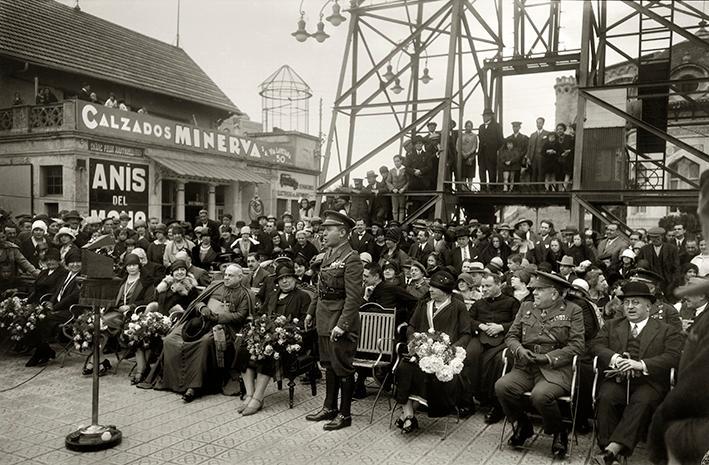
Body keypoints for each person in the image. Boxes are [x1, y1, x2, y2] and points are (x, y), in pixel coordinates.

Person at [495, 271, 585, 458]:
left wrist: (549, 358)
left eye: (539, 290)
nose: (533, 293)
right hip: (526, 365)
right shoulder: (526, 306)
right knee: (503, 386)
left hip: (555, 368)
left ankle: (559, 432)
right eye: (533, 289)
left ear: (554, 293)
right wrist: (520, 350)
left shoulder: (573, 310)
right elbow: (511, 336)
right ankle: (523, 425)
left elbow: (577, 346)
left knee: (540, 395)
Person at [590, 282, 682, 465]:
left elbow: (673, 357)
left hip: (650, 382)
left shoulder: (666, 330)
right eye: (626, 303)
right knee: (606, 396)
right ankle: (610, 454)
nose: (630, 307)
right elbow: (595, 346)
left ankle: (610, 451)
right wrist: (615, 358)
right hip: (617, 378)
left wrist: (641, 364)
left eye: (636, 302)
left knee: (643, 401)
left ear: (649, 306)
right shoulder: (611, 325)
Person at [140, 264, 253, 402]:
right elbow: (198, 302)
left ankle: (194, 387)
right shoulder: (216, 285)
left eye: (231, 275)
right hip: (200, 321)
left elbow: (241, 316)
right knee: (170, 339)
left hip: (223, 327)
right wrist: (203, 308)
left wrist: (217, 318)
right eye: (226, 275)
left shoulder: (245, 294)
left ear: (240, 277)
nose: (226, 278)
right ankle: (170, 381)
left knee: (204, 343)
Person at [304, 211, 363, 431]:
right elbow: (320, 290)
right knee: (328, 364)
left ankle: (345, 414)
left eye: (328, 230)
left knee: (343, 367)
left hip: (339, 320)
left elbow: (354, 297)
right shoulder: (327, 256)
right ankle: (329, 407)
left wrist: (343, 324)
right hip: (323, 316)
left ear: (343, 232)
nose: (323, 234)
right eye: (323, 230)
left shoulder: (352, 259)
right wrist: (311, 312)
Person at [394, 270, 472, 432]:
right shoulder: (424, 304)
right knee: (404, 367)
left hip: (443, 355)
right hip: (420, 351)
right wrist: (414, 341)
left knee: (426, 373)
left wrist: (450, 350)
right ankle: (409, 415)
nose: (430, 290)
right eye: (430, 287)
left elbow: (466, 334)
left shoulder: (458, 307)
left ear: (444, 290)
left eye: (434, 288)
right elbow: (412, 326)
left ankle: (407, 416)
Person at [237, 264, 311, 415]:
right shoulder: (273, 295)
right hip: (268, 336)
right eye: (281, 279)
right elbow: (262, 314)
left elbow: (304, 322)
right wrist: (258, 328)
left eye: (288, 277)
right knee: (243, 349)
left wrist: (287, 332)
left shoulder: (302, 296)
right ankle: (250, 394)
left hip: (290, 340)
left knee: (268, 351)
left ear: (294, 279)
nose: (284, 281)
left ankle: (258, 398)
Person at [465, 273, 520, 423]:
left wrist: (501, 327)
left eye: (488, 286)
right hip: (481, 337)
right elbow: (468, 319)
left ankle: (495, 405)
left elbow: (518, 322)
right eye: (482, 286)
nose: (484, 289)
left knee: (497, 361)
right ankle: (468, 399)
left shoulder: (512, 302)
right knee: (470, 354)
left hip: (502, 338)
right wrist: (480, 325)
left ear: (499, 285)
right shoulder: (479, 303)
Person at [25, 248, 82, 367]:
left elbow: (72, 297)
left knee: (45, 318)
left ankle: (42, 352)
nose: (75, 265)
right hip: (58, 307)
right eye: (72, 262)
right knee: (35, 317)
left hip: (71, 310)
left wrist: (54, 307)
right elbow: (57, 292)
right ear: (67, 264)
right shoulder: (67, 275)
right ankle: (44, 350)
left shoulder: (82, 278)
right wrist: (51, 303)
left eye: (78, 262)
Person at [636, 227, 680, 296]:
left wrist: (673, 283)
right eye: (652, 237)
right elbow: (640, 266)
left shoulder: (672, 249)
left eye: (657, 237)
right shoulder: (644, 250)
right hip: (650, 283)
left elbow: (676, 268)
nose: (655, 239)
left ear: (662, 236)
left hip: (667, 283)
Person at [477, 108, 504, 189]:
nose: (484, 117)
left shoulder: (497, 126)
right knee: (482, 172)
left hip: (492, 154)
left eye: (485, 116)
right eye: (483, 116)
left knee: (491, 172)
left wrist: (495, 150)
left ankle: (492, 189)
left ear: (490, 116)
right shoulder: (481, 127)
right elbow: (481, 140)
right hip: (482, 153)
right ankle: (483, 189)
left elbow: (501, 140)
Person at [386, 155, 409, 222]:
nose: (396, 163)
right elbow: (388, 181)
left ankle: (400, 223)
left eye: (398, 161)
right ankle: (395, 223)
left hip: (402, 193)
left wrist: (403, 188)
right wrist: (393, 189)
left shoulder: (405, 170)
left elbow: (408, 181)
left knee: (402, 208)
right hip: (394, 193)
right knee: (394, 209)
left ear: (401, 161)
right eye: (395, 161)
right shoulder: (391, 171)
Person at [458, 120, 478, 188]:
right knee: (463, 173)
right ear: (465, 126)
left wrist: (468, 153)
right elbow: (457, 146)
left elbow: (475, 146)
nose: (468, 127)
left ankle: (470, 187)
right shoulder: (461, 135)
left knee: (470, 173)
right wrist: (462, 153)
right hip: (462, 156)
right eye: (467, 126)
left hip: (471, 157)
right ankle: (463, 187)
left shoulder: (474, 136)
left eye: (470, 126)